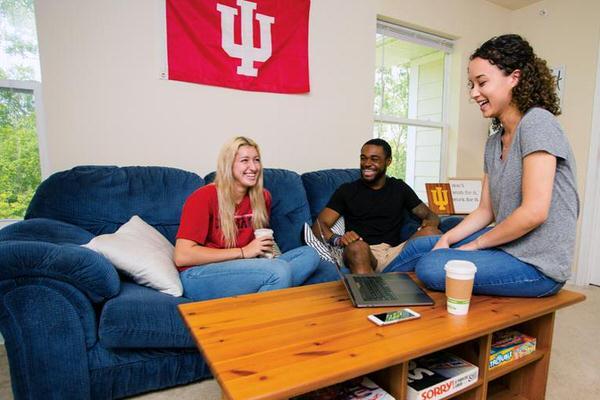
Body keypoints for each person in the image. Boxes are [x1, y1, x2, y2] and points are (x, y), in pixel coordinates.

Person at [388, 34, 579, 297]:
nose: (473, 93)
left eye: (482, 82)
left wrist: (476, 244)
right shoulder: (494, 142)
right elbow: (486, 210)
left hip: (538, 265)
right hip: (509, 247)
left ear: (514, 77)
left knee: (432, 266)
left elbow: (535, 212)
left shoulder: (538, 123)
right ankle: (370, 286)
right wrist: (448, 239)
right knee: (424, 246)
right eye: (471, 84)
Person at [174, 136, 320, 301]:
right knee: (279, 270)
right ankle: (270, 290)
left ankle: (261, 293)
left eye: (256, 160)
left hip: (243, 268)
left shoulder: (262, 197)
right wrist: (244, 252)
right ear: (228, 165)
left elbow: (258, 246)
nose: (253, 167)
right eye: (244, 160)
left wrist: (264, 255)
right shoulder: (203, 197)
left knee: (309, 255)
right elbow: (182, 256)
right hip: (199, 275)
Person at [312, 138, 445, 275]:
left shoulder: (399, 188)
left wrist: (430, 223)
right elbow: (319, 224)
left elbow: (430, 215)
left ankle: (385, 278)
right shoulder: (347, 191)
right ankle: (372, 292)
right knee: (357, 248)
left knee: (433, 233)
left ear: (388, 161)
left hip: (394, 253)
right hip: (363, 251)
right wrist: (337, 239)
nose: (367, 164)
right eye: (363, 158)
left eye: (374, 159)